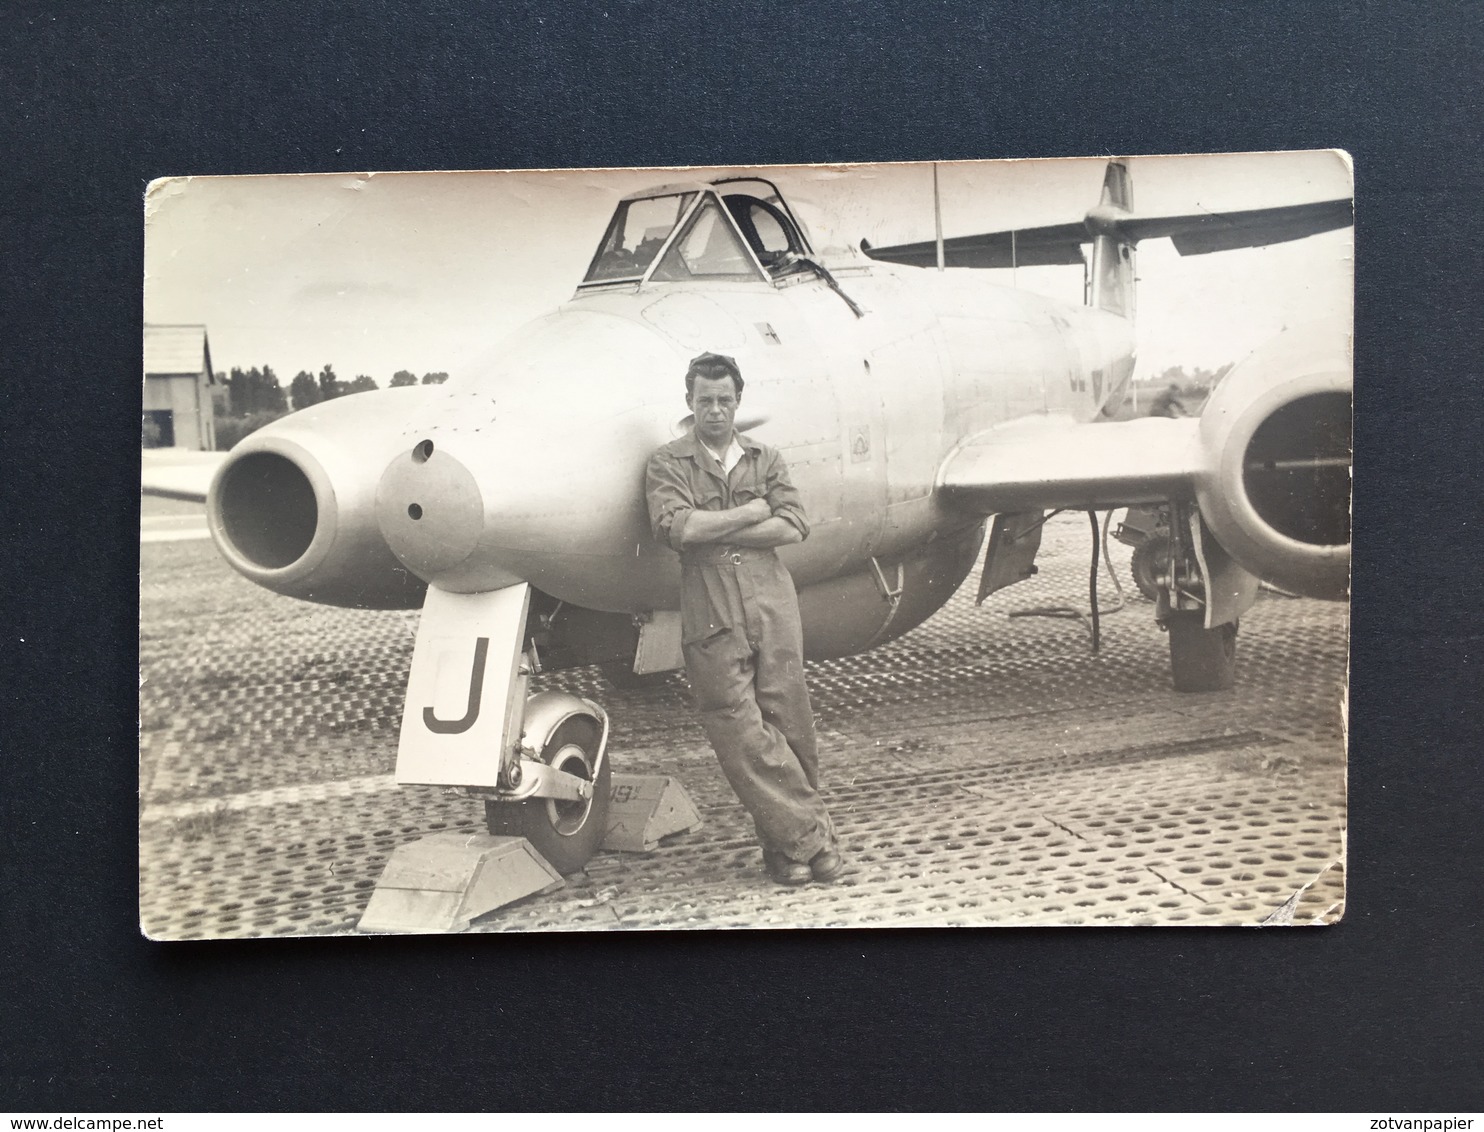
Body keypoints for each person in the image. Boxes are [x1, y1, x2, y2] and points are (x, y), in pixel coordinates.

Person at [645, 352, 843, 887]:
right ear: (689, 402)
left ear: (738, 402)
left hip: (772, 599)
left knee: (790, 723)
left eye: (724, 400)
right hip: (711, 605)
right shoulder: (668, 463)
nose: (715, 410)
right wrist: (754, 513)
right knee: (735, 727)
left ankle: (786, 854)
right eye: (705, 400)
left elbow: (794, 524)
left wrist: (719, 526)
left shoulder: (765, 456)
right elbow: (676, 528)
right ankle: (813, 837)